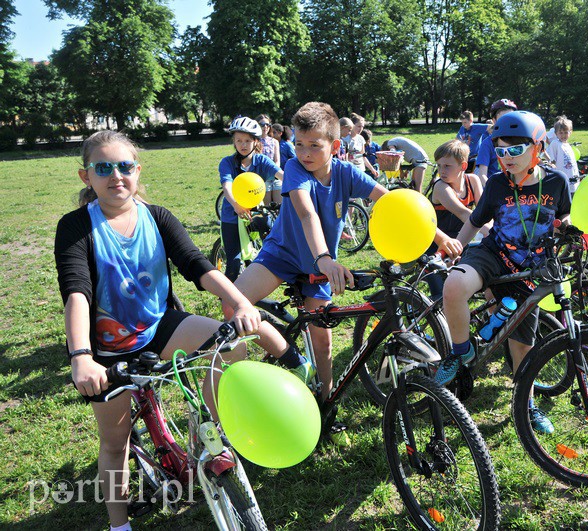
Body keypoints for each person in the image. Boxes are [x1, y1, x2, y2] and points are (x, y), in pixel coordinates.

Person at [55, 130, 262, 531]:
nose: (116, 176)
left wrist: (240, 302)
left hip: (160, 324)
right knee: (114, 445)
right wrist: (81, 357)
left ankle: (211, 436)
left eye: (124, 166)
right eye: (103, 168)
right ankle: (119, 525)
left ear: (137, 170)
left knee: (230, 345)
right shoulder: (76, 227)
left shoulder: (158, 215)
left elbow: (197, 264)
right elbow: (76, 292)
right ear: (86, 177)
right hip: (106, 347)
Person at [226, 102, 461, 408]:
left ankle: (326, 404)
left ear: (335, 146)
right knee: (233, 304)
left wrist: (439, 235)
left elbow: (394, 203)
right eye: (299, 144)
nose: (305, 153)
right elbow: (306, 212)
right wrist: (324, 258)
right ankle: (291, 356)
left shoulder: (346, 172)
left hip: (319, 265)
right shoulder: (296, 169)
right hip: (280, 255)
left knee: (323, 344)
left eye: (314, 145)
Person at [435, 110, 571, 435]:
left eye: (514, 150)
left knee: (522, 349)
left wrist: (568, 227)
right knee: (453, 286)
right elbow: (474, 222)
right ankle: (459, 352)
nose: (505, 157)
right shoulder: (496, 183)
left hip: (532, 271)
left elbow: (564, 216)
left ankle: (527, 404)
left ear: (537, 147)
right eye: (500, 150)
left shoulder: (556, 182)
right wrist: (454, 248)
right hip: (493, 256)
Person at [218, 117, 283, 283]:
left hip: (255, 211)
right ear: (233, 141)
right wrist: (236, 205)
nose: (243, 145)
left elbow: (282, 175)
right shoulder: (227, 163)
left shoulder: (261, 161)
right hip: (232, 215)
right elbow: (227, 186)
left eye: (247, 140)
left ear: (256, 141)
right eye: (239, 140)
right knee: (233, 263)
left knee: (272, 241)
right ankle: (227, 299)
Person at [425, 139, 488, 299]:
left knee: (472, 288)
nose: (441, 171)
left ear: (463, 166)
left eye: (447, 166)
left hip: (460, 242)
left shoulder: (472, 180)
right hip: (437, 245)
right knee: (441, 298)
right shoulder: (440, 186)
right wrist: (493, 233)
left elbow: (484, 213)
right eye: (438, 165)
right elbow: (463, 213)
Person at [475, 98, 518, 184]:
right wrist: (492, 190)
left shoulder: (520, 140)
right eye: (503, 120)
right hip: (497, 186)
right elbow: (482, 174)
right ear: (494, 121)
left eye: (511, 119)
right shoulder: (488, 143)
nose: (508, 123)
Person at [545, 116, 580, 194]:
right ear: (556, 133)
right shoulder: (555, 144)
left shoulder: (568, 146)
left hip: (572, 181)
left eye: (566, 132)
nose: (563, 135)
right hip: (561, 182)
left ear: (570, 132)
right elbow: (551, 160)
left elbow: (573, 164)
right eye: (561, 132)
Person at [348, 113, 379, 177]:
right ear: (352, 125)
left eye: (362, 126)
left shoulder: (361, 138)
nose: (361, 129)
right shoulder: (345, 139)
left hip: (361, 170)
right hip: (350, 171)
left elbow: (363, 156)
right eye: (359, 126)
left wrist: (372, 170)